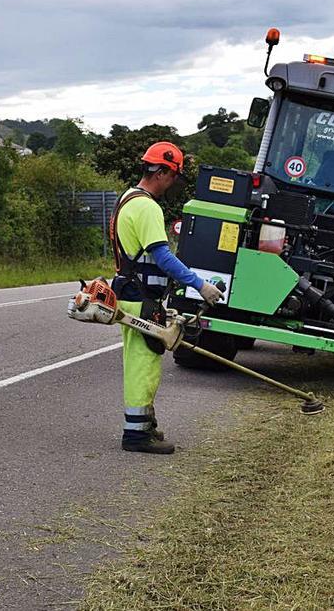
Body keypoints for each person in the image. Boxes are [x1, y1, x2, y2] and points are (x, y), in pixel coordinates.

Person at [110, 142, 223, 454]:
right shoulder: (147, 207)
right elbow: (163, 257)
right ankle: (135, 436)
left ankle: (146, 425)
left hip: (133, 293)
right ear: (160, 171)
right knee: (143, 365)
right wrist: (199, 284)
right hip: (140, 295)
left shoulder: (127, 199)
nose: (173, 183)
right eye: (173, 176)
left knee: (141, 360)